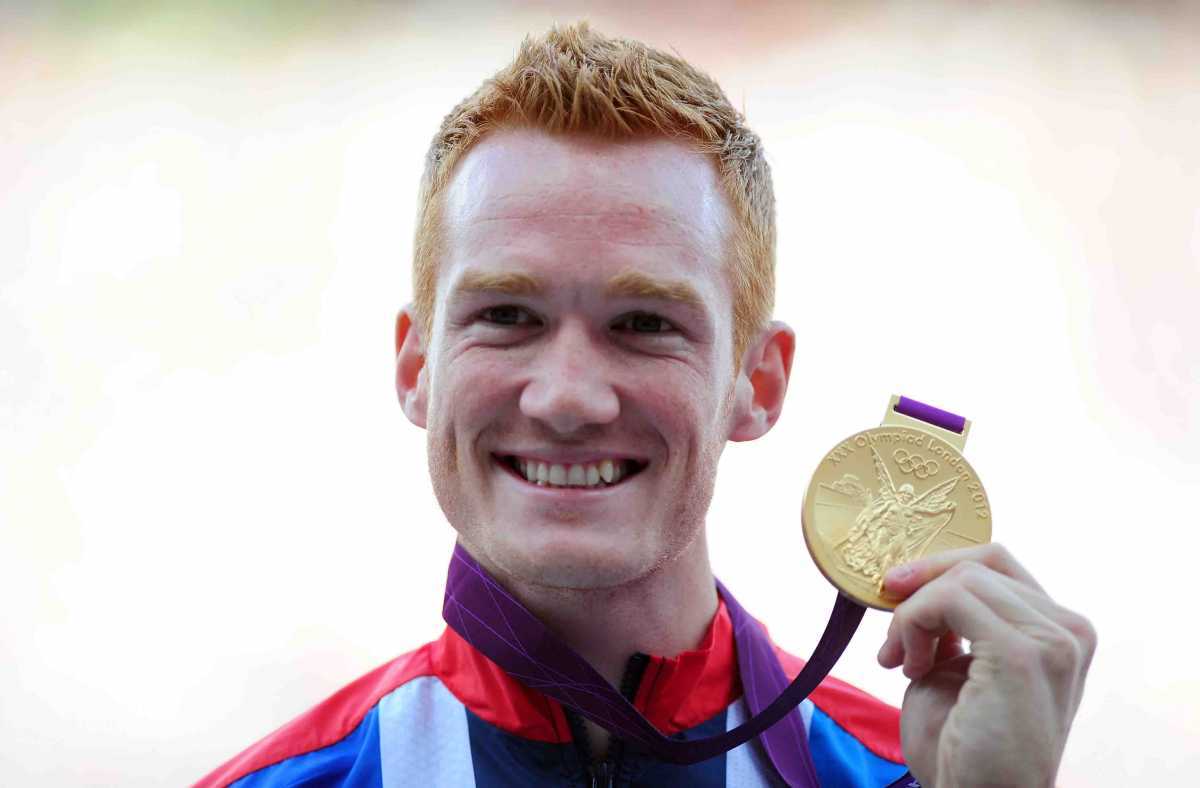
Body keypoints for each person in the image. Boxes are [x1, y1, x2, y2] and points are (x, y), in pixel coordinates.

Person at [196, 21, 1095, 788]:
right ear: (414, 366)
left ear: (759, 382)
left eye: (644, 323)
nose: (567, 399)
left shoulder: (908, 773)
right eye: (506, 316)